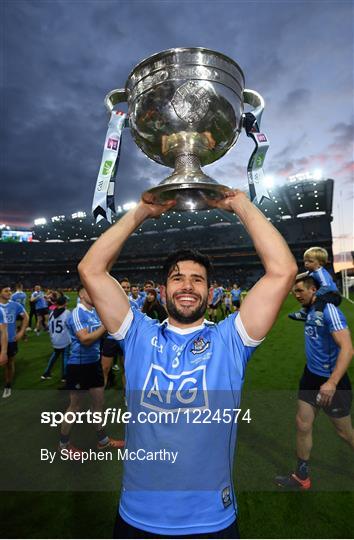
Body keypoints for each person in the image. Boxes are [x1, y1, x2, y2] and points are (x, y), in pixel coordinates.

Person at [78, 190, 297, 538]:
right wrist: (141, 213)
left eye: (198, 280)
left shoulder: (230, 340)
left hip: (211, 520)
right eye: (177, 278)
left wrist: (239, 204)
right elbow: (90, 269)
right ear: (163, 291)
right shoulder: (136, 333)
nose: (187, 286)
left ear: (210, 294)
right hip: (137, 516)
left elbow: (283, 271)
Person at [276, 275, 354, 490]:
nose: (296, 294)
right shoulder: (311, 310)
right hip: (310, 377)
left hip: (333, 383)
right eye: (294, 291)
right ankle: (301, 476)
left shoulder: (330, 311)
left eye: (300, 291)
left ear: (313, 290)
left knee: (345, 433)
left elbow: (347, 349)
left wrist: (332, 382)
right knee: (302, 424)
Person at [59, 285, 124, 454]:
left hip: (94, 364)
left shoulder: (94, 312)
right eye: (89, 290)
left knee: (98, 404)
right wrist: (105, 325)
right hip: (79, 366)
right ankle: (63, 445)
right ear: (81, 293)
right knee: (75, 407)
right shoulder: (77, 313)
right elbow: (85, 339)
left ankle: (102, 441)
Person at [288, 247, 341, 326]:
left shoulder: (320, 272)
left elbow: (326, 286)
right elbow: (304, 275)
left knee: (318, 299)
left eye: (310, 261)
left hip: (333, 295)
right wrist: (294, 278)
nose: (306, 263)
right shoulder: (312, 271)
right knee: (310, 297)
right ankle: (303, 313)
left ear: (320, 263)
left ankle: (319, 318)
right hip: (326, 293)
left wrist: (315, 296)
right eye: (305, 261)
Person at [0, 286, 29, 398]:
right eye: (6, 291)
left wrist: (21, 332)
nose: (9, 293)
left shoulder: (15, 305)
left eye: (10, 291)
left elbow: (26, 317)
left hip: (11, 340)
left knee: (9, 362)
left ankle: (8, 385)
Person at [41, 295, 71, 381]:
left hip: (55, 339)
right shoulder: (67, 312)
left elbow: (49, 327)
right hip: (64, 339)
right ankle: (64, 376)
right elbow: (70, 326)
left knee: (55, 355)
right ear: (65, 303)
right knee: (65, 356)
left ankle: (46, 373)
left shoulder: (51, 313)